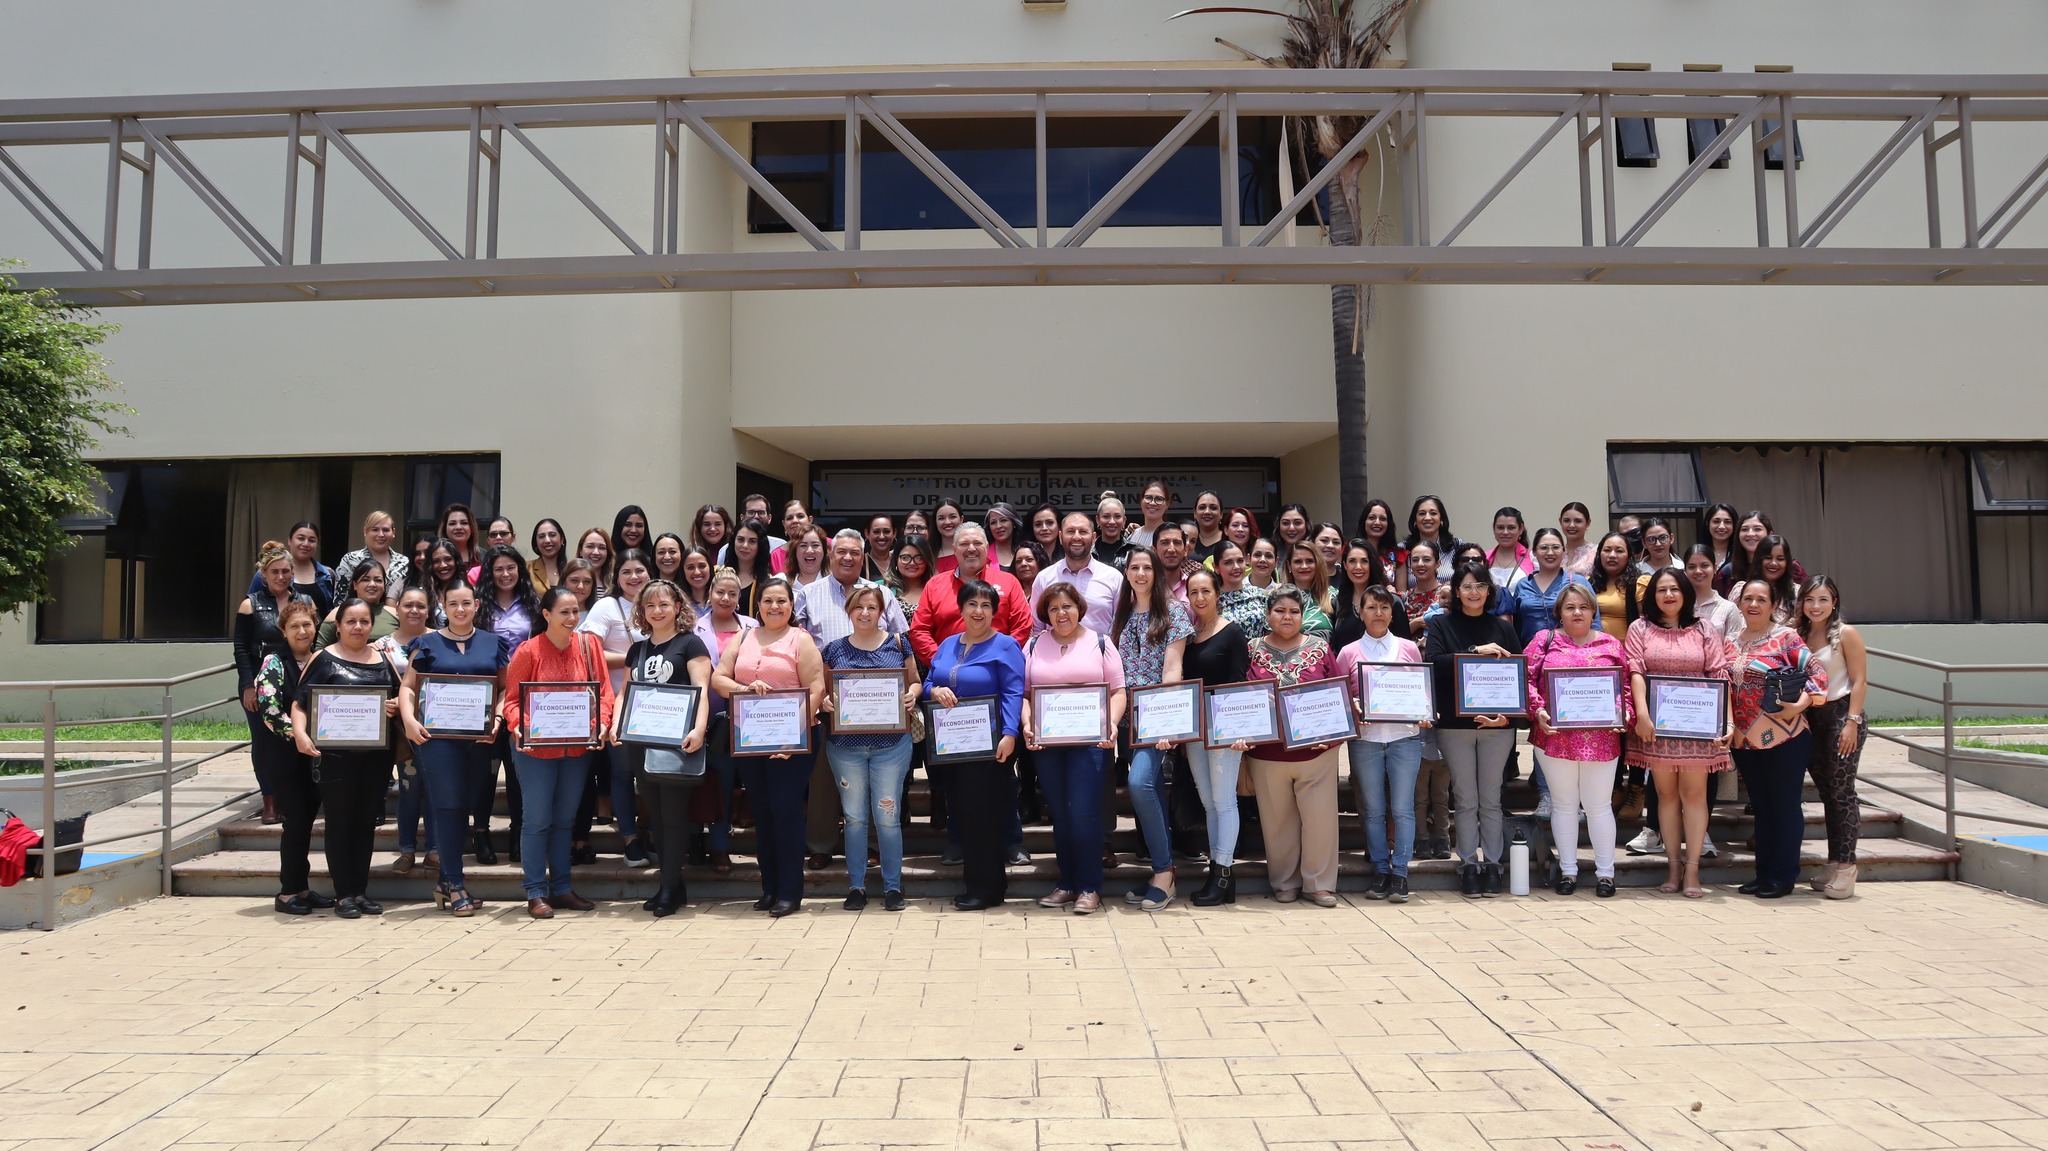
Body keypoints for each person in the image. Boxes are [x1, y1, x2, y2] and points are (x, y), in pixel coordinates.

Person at [794, 531, 911, 871]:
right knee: (823, 779)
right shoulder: (808, 594)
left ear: (864, 556)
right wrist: (818, 697)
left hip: (879, 704)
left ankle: (871, 845)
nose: (848, 557)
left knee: (874, 782)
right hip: (827, 699)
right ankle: (821, 844)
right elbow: (797, 642)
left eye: (855, 552)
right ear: (831, 555)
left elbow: (901, 637)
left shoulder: (881, 593)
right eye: (841, 552)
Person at [713, 577, 827, 917]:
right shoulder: (743, 636)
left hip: (793, 742)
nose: (775, 607)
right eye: (768, 601)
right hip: (751, 740)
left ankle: (790, 892)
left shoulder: (800, 639)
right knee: (762, 814)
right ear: (758, 605)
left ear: (791, 605)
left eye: (781, 601)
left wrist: (793, 737)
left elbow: (817, 689)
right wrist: (743, 689)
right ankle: (770, 888)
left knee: (785, 812)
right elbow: (719, 678)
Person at [396, 581, 509, 917]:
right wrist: (409, 720)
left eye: (466, 603)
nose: (460, 610)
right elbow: (408, 687)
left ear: (476, 605)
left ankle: (445, 883)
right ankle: (456, 884)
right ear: (443, 606)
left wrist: (498, 718)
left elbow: (505, 688)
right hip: (437, 740)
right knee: (446, 806)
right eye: (453, 604)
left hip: (479, 740)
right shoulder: (427, 643)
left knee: (464, 807)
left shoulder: (492, 643)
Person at [288, 598, 401, 919]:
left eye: (364, 622)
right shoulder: (323, 658)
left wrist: (395, 706)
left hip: (376, 759)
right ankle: (343, 895)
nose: (358, 627)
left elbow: (399, 698)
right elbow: (299, 704)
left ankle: (360, 891)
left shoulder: (382, 660)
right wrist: (301, 734)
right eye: (351, 621)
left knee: (365, 824)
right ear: (338, 626)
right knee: (339, 823)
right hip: (335, 758)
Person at [1625, 568, 1735, 898]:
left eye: (1674, 589)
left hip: (1698, 727)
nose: (1669, 595)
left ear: (1686, 593)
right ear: (1652, 595)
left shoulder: (1704, 628)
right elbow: (1636, 671)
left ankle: (1693, 869)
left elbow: (1719, 675)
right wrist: (1642, 715)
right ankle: (1673, 866)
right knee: (1667, 796)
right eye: (1662, 590)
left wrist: (1727, 723)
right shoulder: (1639, 628)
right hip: (1657, 727)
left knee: (1694, 796)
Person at [503, 586, 612, 918]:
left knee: (565, 821)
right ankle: (536, 891)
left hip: (577, 748)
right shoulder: (528, 651)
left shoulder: (589, 645)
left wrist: (601, 723)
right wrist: (518, 725)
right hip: (535, 751)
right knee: (537, 820)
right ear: (546, 614)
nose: (572, 618)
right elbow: (512, 701)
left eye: (575, 611)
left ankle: (562, 888)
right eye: (564, 612)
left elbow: (604, 692)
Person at [1023, 583, 1127, 915]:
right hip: (1048, 745)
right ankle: (1067, 884)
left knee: (1083, 813)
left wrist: (1112, 723)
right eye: (1053, 609)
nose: (1061, 613)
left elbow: (1118, 691)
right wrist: (1027, 724)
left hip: (1090, 743)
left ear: (1079, 608)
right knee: (1061, 814)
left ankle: (1089, 886)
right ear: (1046, 614)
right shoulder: (1034, 644)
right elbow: (1026, 694)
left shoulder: (1101, 642)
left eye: (1067, 606)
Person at [923, 579, 1027, 910]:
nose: (978, 611)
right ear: (961, 609)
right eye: (972, 604)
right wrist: (934, 690)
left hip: (988, 744)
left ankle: (986, 890)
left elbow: (1013, 691)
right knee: (963, 813)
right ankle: (980, 884)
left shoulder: (1006, 645)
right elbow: (928, 681)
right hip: (951, 746)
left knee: (983, 814)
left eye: (985, 605)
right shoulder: (947, 643)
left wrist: (1009, 733)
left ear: (995, 611)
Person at [613, 578, 713, 917]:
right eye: (650, 605)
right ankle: (672, 885)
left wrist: (699, 729)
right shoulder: (637, 650)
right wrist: (616, 724)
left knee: (673, 816)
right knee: (655, 815)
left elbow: (702, 690)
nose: (657, 611)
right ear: (642, 611)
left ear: (678, 607)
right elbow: (624, 694)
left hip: (677, 744)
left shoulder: (691, 644)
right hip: (641, 743)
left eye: (664, 604)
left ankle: (669, 888)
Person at [819, 583, 921, 912]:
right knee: (854, 817)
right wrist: (825, 702)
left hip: (891, 745)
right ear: (848, 611)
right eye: (859, 607)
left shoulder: (898, 642)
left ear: (881, 612)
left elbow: (915, 681)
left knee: (888, 816)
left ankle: (893, 887)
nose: (865, 613)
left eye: (872, 607)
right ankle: (857, 887)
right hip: (845, 746)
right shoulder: (833, 650)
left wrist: (912, 694)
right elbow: (823, 690)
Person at [1426, 562, 1524, 897]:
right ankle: (1468, 864)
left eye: (1480, 586)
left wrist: (1507, 718)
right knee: (1466, 799)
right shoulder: (1441, 625)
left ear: (1489, 590)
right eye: (1466, 586)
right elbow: (1434, 664)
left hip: (1498, 726)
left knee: (1491, 799)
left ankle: (1493, 865)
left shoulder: (1503, 628)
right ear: (1456, 591)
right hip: (1455, 726)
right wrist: (1473, 652)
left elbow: (1517, 676)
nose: (1473, 592)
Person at [1525, 583, 1629, 897]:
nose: (1577, 613)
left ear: (1593, 610)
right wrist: (1537, 709)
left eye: (1583, 607)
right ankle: (1568, 871)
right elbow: (1525, 679)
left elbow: (1625, 687)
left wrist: (1624, 714)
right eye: (1570, 607)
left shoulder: (1611, 643)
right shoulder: (1544, 640)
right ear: (1559, 612)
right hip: (1554, 737)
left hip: (1601, 738)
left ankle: (1605, 874)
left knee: (1599, 807)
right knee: (1564, 805)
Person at [1243, 585, 1344, 906]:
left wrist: (1332, 737)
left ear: (1303, 615)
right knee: (1277, 823)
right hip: (1267, 754)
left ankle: (1319, 884)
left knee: (1320, 821)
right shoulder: (1251, 649)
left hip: (1317, 753)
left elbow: (1338, 695)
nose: (1287, 617)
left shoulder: (1320, 648)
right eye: (1280, 611)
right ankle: (1285, 881)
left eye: (1294, 611)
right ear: (1267, 614)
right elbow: (1239, 698)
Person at [1731, 579, 1827, 899]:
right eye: (1748, 598)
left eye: (1761, 599)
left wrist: (1800, 704)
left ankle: (1783, 877)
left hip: (1786, 738)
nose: (1754, 604)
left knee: (1784, 806)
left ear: (1774, 605)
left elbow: (1818, 674)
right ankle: (1764, 875)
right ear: (1739, 604)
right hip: (1746, 742)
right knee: (1762, 808)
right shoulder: (1730, 642)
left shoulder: (1786, 638)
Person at [1111, 548, 1193, 910]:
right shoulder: (1123, 613)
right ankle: (1161, 871)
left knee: (1139, 783)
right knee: (1152, 790)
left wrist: (1167, 723)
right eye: (1135, 567)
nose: (1141, 573)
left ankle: (1165, 872)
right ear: (1127, 573)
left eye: (1147, 567)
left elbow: (1173, 670)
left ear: (1158, 572)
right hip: (1126, 721)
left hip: (1155, 718)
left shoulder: (1173, 611)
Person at [1336, 584, 1425, 903]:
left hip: (1404, 738)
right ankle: (1380, 868)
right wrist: (1353, 705)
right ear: (1360, 612)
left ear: (1392, 613)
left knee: (1402, 808)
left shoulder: (1408, 648)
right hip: (1366, 741)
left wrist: (1426, 711)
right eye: (1371, 607)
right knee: (1373, 810)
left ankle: (1400, 871)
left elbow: (1421, 690)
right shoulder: (1348, 652)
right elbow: (1339, 696)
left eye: (1384, 607)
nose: (1378, 613)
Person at [252, 599, 332, 914]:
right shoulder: (273, 662)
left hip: (315, 756)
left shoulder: (323, 659)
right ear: (283, 631)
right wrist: (299, 736)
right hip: (283, 756)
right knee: (296, 821)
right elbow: (269, 710)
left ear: (316, 627)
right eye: (294, 626)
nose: (302, 631)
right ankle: (287, 893)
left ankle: (302, 888)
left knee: (305, 821)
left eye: (307, 625)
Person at [580, 548, 653, 868]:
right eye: (626, 572)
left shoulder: (659, 601)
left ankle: (652, 833)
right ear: (616, 576)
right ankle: (630, 839)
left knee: (652, 773)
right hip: (617, 702)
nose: (634, 577)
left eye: (639, 570)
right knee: (622, 772)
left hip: (658, 706)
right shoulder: (607, 606)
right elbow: (587, 650)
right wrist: (634, 659)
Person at [1178, 569, 1247, 904]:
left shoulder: (1233, 632)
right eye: (1193, 592)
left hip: (1223, 728)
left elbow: (1238, 681)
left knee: (1224, 801)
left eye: (1206, 591)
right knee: (1208, 802)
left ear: (1218, 594)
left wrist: (1237, 729)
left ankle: (1223, 873)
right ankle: (1217, 871)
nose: (1200, 598)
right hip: (1195, 729)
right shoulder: (1189, 635)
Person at [1798, 575, 1868, 899]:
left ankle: (1848, 866)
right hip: (1811, 718)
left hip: (1841, 715)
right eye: (1810, 599)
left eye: (1823, 599)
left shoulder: (1845, 634)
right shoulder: (1798, 634)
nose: (1816, 606)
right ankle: (1833, 861)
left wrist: (1852, 722)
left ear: (1834, 602)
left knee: (1842, 793)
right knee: (1827, 794)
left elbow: (1860, 681)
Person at [237, 542, 313, 824]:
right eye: (274, 572)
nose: (281, 576)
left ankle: (297, 791)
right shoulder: (250, 603)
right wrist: (248, 685)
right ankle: (270, 797)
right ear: (263, 575)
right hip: (261, 680)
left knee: (299, 730)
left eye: (285, 571)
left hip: (298, 674)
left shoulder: (305, 601)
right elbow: (240, 648)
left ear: (293, 572)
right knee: (264, 740)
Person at [694, 567, 759, 874]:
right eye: (720, 592)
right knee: (715, 786)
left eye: (733, 593)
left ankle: (756, 846)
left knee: (750, 784)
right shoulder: (694, 627)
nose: (726, 598)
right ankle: (716, 846)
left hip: (750, 719)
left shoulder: (752, 626)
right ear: (709, 594)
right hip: (709, 720)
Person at [908, 524, 1033, 665]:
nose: (971, 548)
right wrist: (940, 661)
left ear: (987, 547)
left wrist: (1001, 658)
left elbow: (1022, 626)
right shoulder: (934, 584)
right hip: (946, 668)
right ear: (954, 549)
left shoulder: (1009, 581)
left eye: (977, 543)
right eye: (964, 544)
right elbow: (920, 630)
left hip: (996, 667)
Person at [382, 587, 436, 875]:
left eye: (420, 606)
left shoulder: (440, 640)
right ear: (397, 609)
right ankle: (406, 849)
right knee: (408, 787)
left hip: (437, 727)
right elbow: (372, 684)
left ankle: (435, 849)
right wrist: (387, 702)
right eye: (408, 605)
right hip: (402, 729)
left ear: (429, 610)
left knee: (436, 789)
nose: (414, 610)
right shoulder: (380, 646)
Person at [1032, 512, 1124, 634]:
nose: (1076, 537)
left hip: (1101, 646)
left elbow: (1121, 626)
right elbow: (1037, 628)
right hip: (1055, 646)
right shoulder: (1044, 578)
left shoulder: (1114, 578)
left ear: (1093, 538)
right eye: (1070, 531)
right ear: (1061, 537)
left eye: (1083, 532)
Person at [1508, 528, 1595, 647]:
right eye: (1544, 547)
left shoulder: (1578, 582)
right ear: (1534, 552)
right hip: (1531, 653)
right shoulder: (1523, 585)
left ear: (1563, 551)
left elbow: (1594, 622)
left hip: (1569, 652)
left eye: (1556, 547)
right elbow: (1517, 627)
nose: (1550, 553)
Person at [1331, 540, 1411, 651]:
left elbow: (1405, 648)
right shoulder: (1338, 603)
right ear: (1344, 565)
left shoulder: (1393, 602)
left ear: (1371, 564)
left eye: (1364, 561)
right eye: (1352, 561)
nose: (1358, 567)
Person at [246, 521, 333, 616]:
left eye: (312, 540)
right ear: (289, 540)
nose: (306, 544)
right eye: (300, 538)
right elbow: (252, 605)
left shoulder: (328, 574)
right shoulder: (264, 573)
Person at [316, 561, 399, 649]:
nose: (372, 584)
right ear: (355, 584)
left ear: (384, 585)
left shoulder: (396, 614)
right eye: (365, 579)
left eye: (378, 580)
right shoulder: (337, 614)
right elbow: (319, 651)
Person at [331, 511, 408, 606]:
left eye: (386, 530)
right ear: (365, 532)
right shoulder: (350, 560)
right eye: (375, 530)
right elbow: (340, 600)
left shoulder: (404, 562)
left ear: (393, 532)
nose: (381, 534)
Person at [1682, 544, 1738, 638]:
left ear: (1714, 568)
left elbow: (1734, 645)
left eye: (1704, 565)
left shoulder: (1728, 609)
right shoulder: (1678, 606)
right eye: (1692, 567)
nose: (1698, 571)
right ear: (1685, 571)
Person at [1215, 541, 1269, 638]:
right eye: (1228, 562)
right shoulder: (1213, 600)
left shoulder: (1260, 594)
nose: (1236, 567)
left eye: (1240, 561)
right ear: (1216, 567)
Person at [1588, 532, 1636, 642]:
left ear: (1629, 556)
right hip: (1594, 647)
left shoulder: (1638, 584)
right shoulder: (1588, 584)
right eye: (1607, 550)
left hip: (1627, 648)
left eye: (1619, 551)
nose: (1612, 555)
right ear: (1599, 554)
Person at [1282, 541, 1335, 639]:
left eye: (1309, 561)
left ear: (1317, 564)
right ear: (1289, 565)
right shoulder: (1278, 597)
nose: (1304, 566)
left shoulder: (1332, 596)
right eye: (1298, 561)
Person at [1402, 496, 1457, 581]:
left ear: (1441, 519)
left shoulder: (1456, 546)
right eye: (1422, 513)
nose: (1427, 518)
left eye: (1433, 513)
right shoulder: (1402, 549)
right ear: (1415, 520)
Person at [1356, 500, 1406, 590]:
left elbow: (1402, 593)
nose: (1377, 523)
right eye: (1372, 518)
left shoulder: (1398, 555)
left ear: (1388, 524)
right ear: (1364, 521)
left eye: (1383, 519)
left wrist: (1393, 593)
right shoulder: (1352, 551)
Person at [730, 521, 776, 618]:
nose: (745, 545)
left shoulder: (768, 582)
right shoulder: (718, 573)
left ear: (760, 545)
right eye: (740, 539)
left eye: (752, 541)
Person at [1755, 535, 1804, 625]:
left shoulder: (1798, 593)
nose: (1773, 563)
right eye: (1768, 558)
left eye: (1780, 559)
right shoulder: (1741, 591)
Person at [887, 535, 935, 623]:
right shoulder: (883, 589)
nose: (912, 563)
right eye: (905, 558)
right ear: (896, 560)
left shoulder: (936, 590)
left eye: (919, 558)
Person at [1487, 507, 1535, 587]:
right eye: (1500, 528)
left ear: (1521, 529)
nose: (1505, 532)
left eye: (1511, 528)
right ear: (1494, 529)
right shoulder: (1483, 558)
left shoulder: (1533, 557)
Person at [1399, 542, 1442, 622]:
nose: (1420, 564)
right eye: (1415, 560)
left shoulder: (1446, 594)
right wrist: (1415, 624)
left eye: (1426, 560)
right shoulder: (1404, 598)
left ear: (1437, 563)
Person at [1188, 491, 1227, 566]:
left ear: (1221, 514)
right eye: (1202, 507)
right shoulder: (1186, 540)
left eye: (1213, 508)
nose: (1207, 512)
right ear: (1195, 513)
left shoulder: (1228, 540)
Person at [1093, 495, 1133, 568]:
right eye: (1106, 516)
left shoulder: (1135, 551)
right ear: (1097, 520)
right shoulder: (1087, 552)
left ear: (1124, 520)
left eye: (1117, 516)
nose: (1112, 522)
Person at [1128, 480, 1172, 548]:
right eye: (1148, 497)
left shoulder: (1173, 535)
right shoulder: (1132, 535)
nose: (1152, 503)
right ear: (1141, 501)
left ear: (1167, 504)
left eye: (1159, 499)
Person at [528, 518, 568, 591]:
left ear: (561, 539)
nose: (547, 540)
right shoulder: (526, 568)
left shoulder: (570, 570)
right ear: (536, 542)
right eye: (541, 536)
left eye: (552, 535)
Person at [984, 502, 1025, 572]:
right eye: (993, 522)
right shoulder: (984, 554)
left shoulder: (1026, 550)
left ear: (1013, 523)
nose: (998, 526)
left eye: (1003, 520)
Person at [1559, 502, 1596, 577]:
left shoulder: (1597, 552)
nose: (1571, 525)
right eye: (1566, 520)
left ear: (1588, 523)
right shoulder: (1555, 552)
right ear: (1560, 522)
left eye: (1578, 521)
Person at [680, 545, 717, 618]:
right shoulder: (678, 602)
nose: (697, 572)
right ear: (683, 571)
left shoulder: (721, 599)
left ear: (710, 568)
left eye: (702, 566)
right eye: (690, 567)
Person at [438, 505, 479, 570]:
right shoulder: (435, 555)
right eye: (452, 523)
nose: (458, 527)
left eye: (464, 523)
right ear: (445, 528)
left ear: (471, 527)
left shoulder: (482, 555)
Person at [1701, 503, 1739, 572]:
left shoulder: (1741, 555)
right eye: (1716, 521)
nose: (1721, 526)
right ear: (1707, 524)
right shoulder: (1699, 553)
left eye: (1727, 522)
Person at [575, 527, 614, 591]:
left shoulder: (616, 583)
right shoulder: (569, 580)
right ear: (580, 551)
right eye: (590, 546)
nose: (596, 552)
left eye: (602, 548)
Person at [932, 498, 963, 573]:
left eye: (952, 517)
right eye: (941, 518)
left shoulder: (972, 550)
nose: (947, 522)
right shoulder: (927, 554)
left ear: (961, 519)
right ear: (935, 522)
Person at [864, 514, 897, 582]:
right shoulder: (860, 563)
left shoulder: (900, 562)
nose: (881, 536)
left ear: (894, 533)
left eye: (886, 531)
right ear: (867, 534)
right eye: (876, 532)